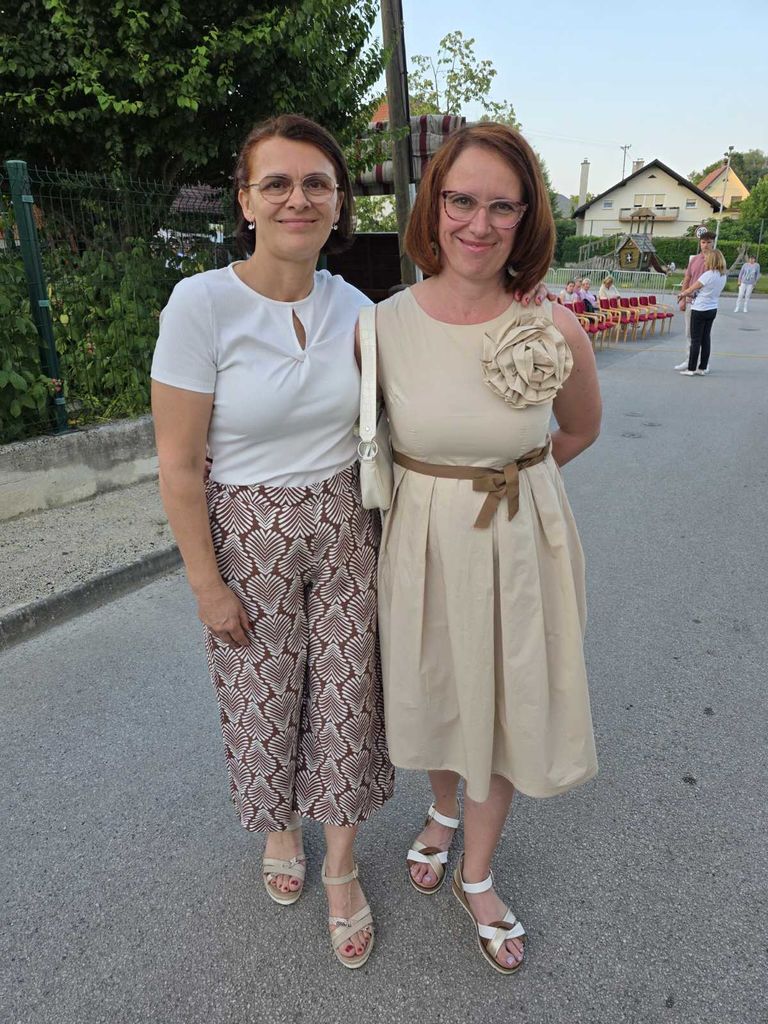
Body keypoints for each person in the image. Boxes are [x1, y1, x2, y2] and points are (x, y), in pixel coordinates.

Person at [150, 114, 394, 969]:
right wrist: (205, 585)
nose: (299, 199)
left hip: (346, 522)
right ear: (246, 201)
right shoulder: (202, 305)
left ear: (339, 203)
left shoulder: (358, 309)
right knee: (262, 694)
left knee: (349, 696)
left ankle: (341, 864)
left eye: (317, 183)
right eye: (277, 183)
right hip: (248, 530)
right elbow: (179, 464)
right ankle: (279, 828)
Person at [374, 122, 601, 975]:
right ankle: (441, 811)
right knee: (435, 690)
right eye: (461, 200)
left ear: (528, 217)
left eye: (503, 206)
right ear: (432, 207)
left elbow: (579, 430)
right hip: (422, 548)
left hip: (515, 545)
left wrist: (511, 486)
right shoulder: (380, 326)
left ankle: (476, 871)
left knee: (503, 709)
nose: (479, 223)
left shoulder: (554, 327)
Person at [678, 248, 727, 376]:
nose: (705, 262)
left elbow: (692, 288)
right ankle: (703, 367)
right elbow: (706, 291)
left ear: (712, 260)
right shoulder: (722, 275)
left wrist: (682, 294)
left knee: (695, 340)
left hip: (700, 309)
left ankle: (691, 368)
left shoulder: (708, 275)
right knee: (706, 339)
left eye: (707, 260)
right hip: (712, 308)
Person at [675, 230, 715, 369]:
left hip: (705, 303)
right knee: (689, 333)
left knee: (703, 335)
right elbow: (687, 278)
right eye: (703, 242)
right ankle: (689, 360)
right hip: (691, 301)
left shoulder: (715, 260)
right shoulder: (694, 259)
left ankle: (703, 363)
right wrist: (682, 298)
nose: (706, 245)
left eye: (709, 242)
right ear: (700, 243)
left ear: (713, 243)